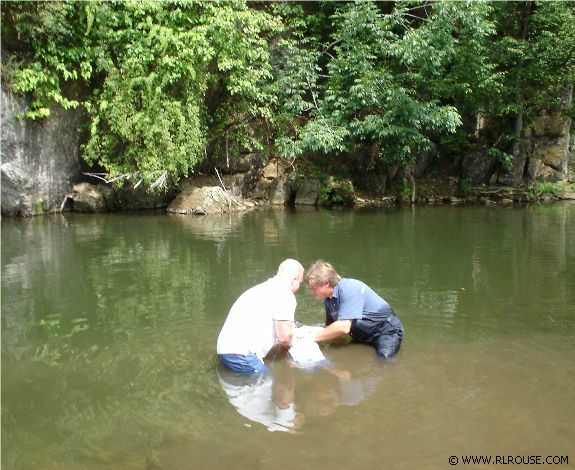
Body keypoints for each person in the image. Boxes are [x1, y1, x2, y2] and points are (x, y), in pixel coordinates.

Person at [217, 259, 304, 374]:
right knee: (267, 382)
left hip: (225, 350)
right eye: (300, 283)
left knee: (269, 376)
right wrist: (299, 340)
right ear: (294, 279)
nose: (298, 287)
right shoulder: (285, 294)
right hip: (241, 355)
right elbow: (284, 338)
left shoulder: (261, 288)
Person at [304, 260, 404, 358]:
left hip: (386, 331)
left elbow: (344, 326)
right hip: (362, 335)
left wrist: (311, 338)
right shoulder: (328, 300)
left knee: (384, 361)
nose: (312, 292)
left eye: (313, 288)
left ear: (326, 284)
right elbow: (331, 328)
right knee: (346, 357)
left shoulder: (349, 288)